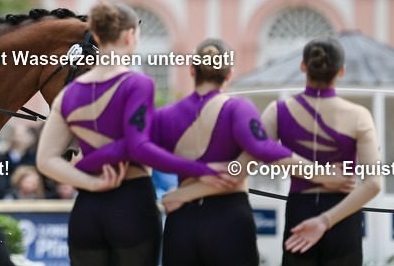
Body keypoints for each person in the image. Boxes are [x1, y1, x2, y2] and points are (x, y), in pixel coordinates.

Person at [35, 0, 238, 266]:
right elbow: (138, 147)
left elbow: (45, 160)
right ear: (130, 36)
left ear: (96, 35)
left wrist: (91, 182)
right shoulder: (137, 83)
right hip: (130, 204)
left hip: (87, 209)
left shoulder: (69, 93)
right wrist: (203, 170)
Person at [140, 39, 355, 266]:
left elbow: (143, 152)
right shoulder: (237, 109)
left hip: (181, 222)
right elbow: (264, 148)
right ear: (229, 74)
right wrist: (324, 175)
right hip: (228, 219)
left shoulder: (164, 116)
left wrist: (186, 180)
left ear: (193, 70)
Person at [262, 36, 381, 266]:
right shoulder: (359, 115)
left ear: (303, 66)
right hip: (343, 215)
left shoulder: (277, 111)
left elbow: (261, 152)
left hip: (300, 213)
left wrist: (312, 174)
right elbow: (373, 184)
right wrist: (325, 220)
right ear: (342, 70)